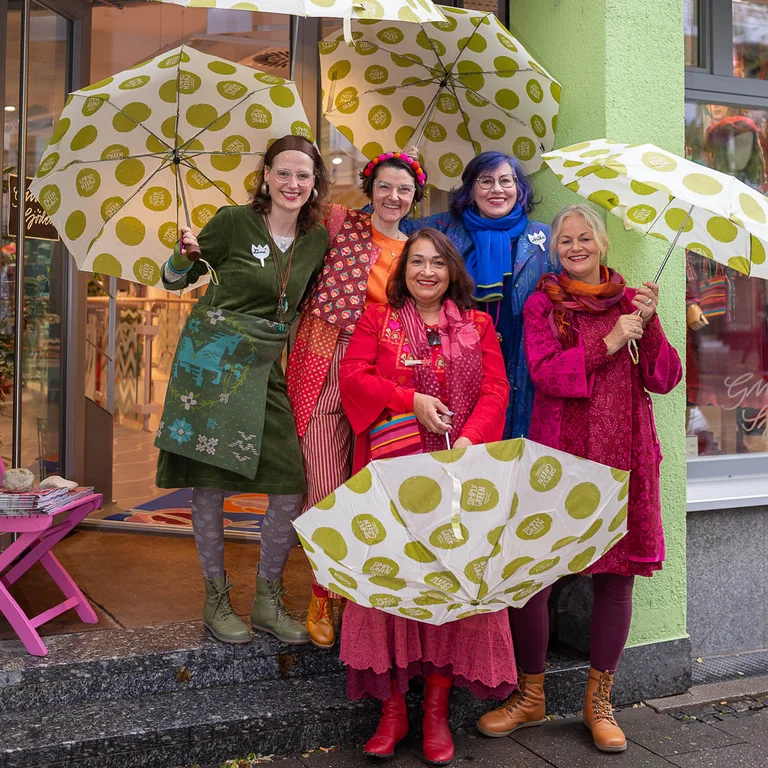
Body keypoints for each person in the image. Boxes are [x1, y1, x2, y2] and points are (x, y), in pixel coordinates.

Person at [477, 204, 682, 753]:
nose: (573, 246)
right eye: (564, 239)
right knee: (532, 577)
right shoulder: (545, 303)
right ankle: (531, 695)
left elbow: (664, 379)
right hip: (561, 454)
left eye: (584, 237)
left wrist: (650, 323)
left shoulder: (633, 305)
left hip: (624, 457)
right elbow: (545, 375)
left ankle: (599, 701)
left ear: (603, 243)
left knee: (616, 580)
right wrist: (610, 340)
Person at [338, 228, 517, 765]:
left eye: (437, 263)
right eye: (416, 262)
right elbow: (353, 378)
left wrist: (468, 440)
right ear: (403, 271)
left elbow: (496, 390)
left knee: (447, 588)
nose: (426, 272)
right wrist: (408, 398)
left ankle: (435, 712)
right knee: (390, 584)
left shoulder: (478, 324)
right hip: (390, 478)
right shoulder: (378, 320)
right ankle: (392, 712)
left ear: (452, 271)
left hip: (459, 479)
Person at [155, 135, 329, 645]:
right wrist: (183, 254)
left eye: (303, 175)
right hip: (215, 359)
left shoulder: (316, 238)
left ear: (314, 182)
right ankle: (215, 599)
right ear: (266, 176)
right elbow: (171, 280)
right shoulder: (233, 221)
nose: (293, 183)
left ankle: (267, 599)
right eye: (284, 173)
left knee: (288, 481)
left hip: (266, 365)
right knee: (210, 483)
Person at [285, 150, 427, 649]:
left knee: (372, 481)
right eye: (385, 186)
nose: (394, 197)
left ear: (415, 197)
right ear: (370, 190)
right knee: (322, 477)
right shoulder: (340, 222)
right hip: (329, 352)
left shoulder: (419, 249)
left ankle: (364, 586)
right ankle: (324, 590)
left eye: (404, 190)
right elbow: (294, 207)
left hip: (384, 363)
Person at [400, 150, 557, 439]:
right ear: (471, 189)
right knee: (469, 450)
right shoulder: (444, 230)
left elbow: (574, 283)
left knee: (517, 456)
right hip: (461, 368)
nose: (497, 189)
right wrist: (407, 172)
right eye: (486, 181)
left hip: (524, 365)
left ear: (519, 189)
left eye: (506, 181)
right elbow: (384, 222)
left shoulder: (545, 238)